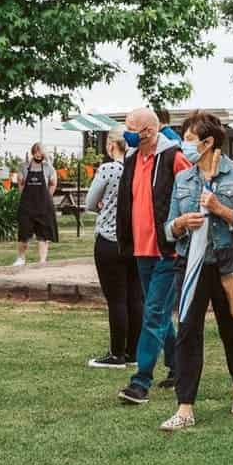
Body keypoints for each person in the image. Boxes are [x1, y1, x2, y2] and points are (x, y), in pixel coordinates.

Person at [158, 111, 233, 431]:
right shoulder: (183, 179)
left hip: (228, 264)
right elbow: (168, 229)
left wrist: (222, 210)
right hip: (190, 265)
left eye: (189, 140)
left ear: (208, 142)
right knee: (187, 333)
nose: (184, 146)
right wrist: (179, 224)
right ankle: (185, 408)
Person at [115, 108, 191, 406]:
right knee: (157, 312)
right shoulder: (132, 159)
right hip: (140, 250)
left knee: (154, 313)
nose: (126, 133)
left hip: (167, 251)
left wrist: (180, 232)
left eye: (130, 128)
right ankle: (177, 365)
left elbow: (190, 195)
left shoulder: (174, 158)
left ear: (147, 131)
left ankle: (140, 382)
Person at [85, 128, 141, 368]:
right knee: (135, 297)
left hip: (109, 238)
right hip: (135, 240)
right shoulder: (138, 169)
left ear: (111, 146)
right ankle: (133, 352)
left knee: (116, 298)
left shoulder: (109, 169)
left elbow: (90, 203)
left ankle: (116, 353)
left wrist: (102, 205)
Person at [13, 143, 59, 265]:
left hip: (43, 206)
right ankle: (21, 258)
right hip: (27, 206)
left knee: (43, 235)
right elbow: (21, 184)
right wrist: (24, 197)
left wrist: (48, 197)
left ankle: (42, 260)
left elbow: (53, 183)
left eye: (41, 153)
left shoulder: (49, 168)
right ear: (33, 152)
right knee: (23, 234)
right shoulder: (24, 166)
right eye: (37, 152)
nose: (39, 155)